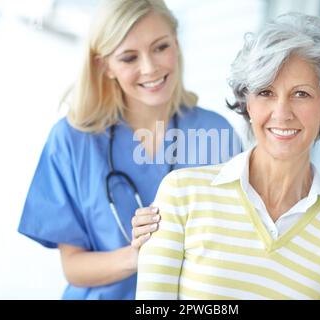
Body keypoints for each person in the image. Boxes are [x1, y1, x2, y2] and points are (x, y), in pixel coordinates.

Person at [136, 12, 320, 300]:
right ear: (248, 104)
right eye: (265, 92)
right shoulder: (182, 194)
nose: (282, 113)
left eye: (301, 94)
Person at [18, 0, 241, 300]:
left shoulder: (217, 133)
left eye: (161, 47)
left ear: (176, 42)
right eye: (128, 58)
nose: (150, 68)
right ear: (103, 65)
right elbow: (73, 266)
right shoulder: (72, 140)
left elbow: (237, 242)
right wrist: (138, 255)